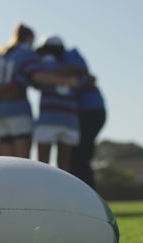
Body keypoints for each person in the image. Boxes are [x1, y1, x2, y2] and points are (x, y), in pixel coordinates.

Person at [0, 23, 78, 158]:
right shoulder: (25, 53)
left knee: (7, 162)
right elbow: (37, 76)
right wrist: (68, 81)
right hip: (17, 110)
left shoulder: (1, 53)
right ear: (30, 38)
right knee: (22, 162)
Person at [62, 47, 107, 189]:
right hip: (91, 112)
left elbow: (78, 72)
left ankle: (86, 192)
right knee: (80, 156)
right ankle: (85, 192)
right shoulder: (73, 59)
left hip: (88, 112)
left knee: (80, 157)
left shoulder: (70, 56)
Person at [33, 36, 81, 173]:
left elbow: (36, 79)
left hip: (49, 118)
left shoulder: (43, 63)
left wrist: (50, 76)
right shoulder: (73, 64)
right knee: (64, 167)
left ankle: (42, 193)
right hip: (70, 119)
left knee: (42, 166)